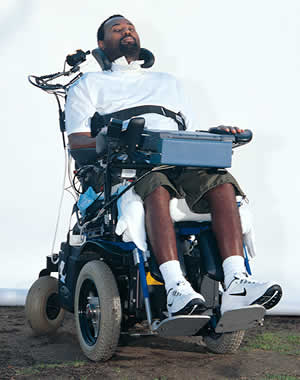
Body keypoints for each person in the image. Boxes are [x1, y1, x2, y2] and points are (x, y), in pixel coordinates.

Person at [65, 15, 282, 317]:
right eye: (117, 29)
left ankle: (236, 282)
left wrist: (216, 133)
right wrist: (111, 141)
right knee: (156, 187)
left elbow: (188, 131)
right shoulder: (89, 84)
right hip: (131, 164)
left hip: (178, 157)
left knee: (221, 182)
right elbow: (78, 143)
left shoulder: (167, 82)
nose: (127, 31)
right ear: (102, 44)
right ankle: (175, 288)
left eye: (130, 28)